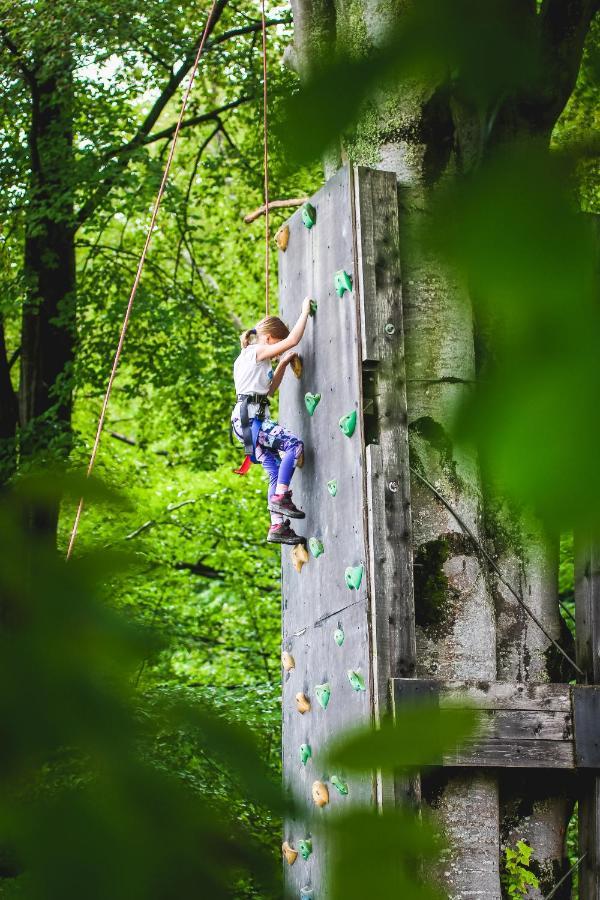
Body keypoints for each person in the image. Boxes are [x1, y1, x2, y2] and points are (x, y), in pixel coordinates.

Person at [231, 298, 312, 544]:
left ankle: (277, 526)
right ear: (268, 338)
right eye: (277, 347)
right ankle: (281, 498)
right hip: (251, 422)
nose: (279, 354)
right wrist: (305, 311)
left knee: (276, 473)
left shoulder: (254, 360)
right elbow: (292, 341)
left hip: (247, 423)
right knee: (294, 445)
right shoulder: (255, 351)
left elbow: (270, 391)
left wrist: (284, 364)